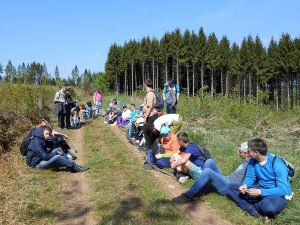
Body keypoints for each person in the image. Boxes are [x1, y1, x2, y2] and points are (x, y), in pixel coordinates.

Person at [227, 138, 293, 219]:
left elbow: (282, 190)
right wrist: (245, 185)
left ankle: (252, 207)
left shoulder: (277, 164)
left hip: (276, 193)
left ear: (256, 153)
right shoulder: (253, 160)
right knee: (230, 187)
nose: (247, 153)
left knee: (269, 208)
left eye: (249, 151)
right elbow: (250, 177)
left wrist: (260, 192)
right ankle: (255, 211)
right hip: (261, 187)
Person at [175, 142, 250, 202]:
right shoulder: (246, 162)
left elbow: (251, 180)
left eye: (240, 152)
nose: (238, 153)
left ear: (247, 154)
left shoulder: (250, 165)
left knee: (208, 171)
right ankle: (204, 186)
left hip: (228, 187)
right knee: (209, 161)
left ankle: (189, 195)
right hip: (226, 179)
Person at [142, 79, 159, 150]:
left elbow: (149, 107)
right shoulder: (152, 93)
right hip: (151, 115)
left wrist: (145, 117)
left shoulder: (150, 94)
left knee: (146, 130)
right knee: (150, 131)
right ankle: (151, 148)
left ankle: (150, 148)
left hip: (151, 115)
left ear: (146, 85)